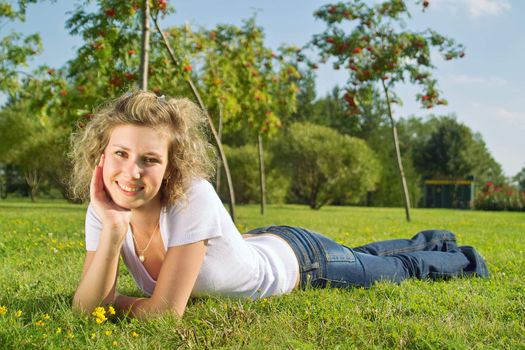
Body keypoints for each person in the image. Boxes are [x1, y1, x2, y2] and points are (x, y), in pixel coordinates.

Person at [70, 91, 489, 319]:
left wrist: (112, 300)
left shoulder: (189, 195)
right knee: (361, 256)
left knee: (396, 271)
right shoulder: (105, 209)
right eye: (121, 154)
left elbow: (163, 315)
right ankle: (432, 238)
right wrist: (111, 233)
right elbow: (87, 306)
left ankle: (466, 258)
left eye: (150, 159)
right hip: (265, 243)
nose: (131, 172)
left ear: (171, 166)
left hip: (304, 265)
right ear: (101, 155)